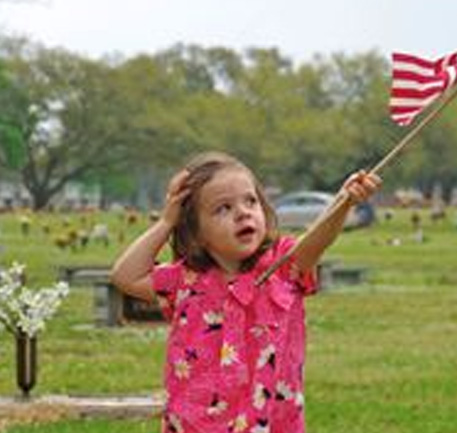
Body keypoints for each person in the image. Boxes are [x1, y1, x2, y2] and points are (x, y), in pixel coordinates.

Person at [111, 151, 381, 433]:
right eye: (223, 208)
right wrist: (167, 222)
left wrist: (344, 200)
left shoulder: (282, 267)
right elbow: (125, 276)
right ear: (196, 231)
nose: (242, 212)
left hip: (270, 423)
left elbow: (316, 241)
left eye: (250, 201)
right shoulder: (186, 280)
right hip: (196, 425)